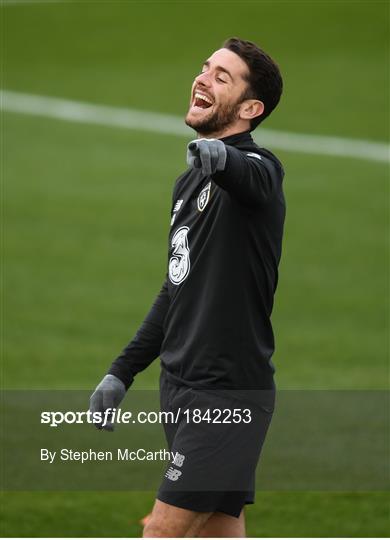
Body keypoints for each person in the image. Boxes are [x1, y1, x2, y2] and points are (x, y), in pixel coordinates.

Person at [90, 37, 285, 538]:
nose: (202, 78)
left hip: (225, 397)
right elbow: (175, 287)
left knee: (161, 531)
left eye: (222, 77)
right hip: (180, 389)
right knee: (217, 534)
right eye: (205, 68)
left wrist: (221, 156)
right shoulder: (188, 183)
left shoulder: (258, 171)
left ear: (250, 108)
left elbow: (253, 177)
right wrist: (122, 371)